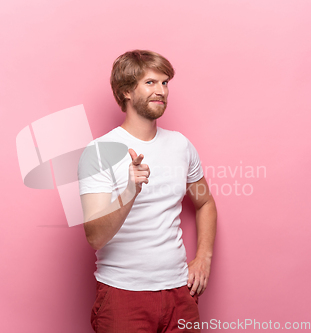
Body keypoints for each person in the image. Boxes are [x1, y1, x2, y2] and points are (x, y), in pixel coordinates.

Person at [78, 49, 217, 333]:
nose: (162, 91)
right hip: (123, 294)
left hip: (180, 294)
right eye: (151, 83)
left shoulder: (181, 146)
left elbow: (205, 203)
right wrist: (130, 191)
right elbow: (94, 237)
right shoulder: (98, 152)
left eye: (165, 83)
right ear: (127, 91)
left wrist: (203, 258)